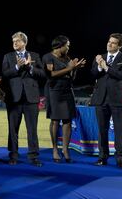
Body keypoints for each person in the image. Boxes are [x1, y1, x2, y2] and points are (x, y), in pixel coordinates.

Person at [1, 32, 46, 167]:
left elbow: (43, 74)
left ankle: (33, 156)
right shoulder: (8, 57)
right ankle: (13, 155)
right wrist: (17, 67)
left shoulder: (35, 56)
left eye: (18, 41)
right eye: (13, 41)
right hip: (13, 98)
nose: (15, 43)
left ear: (24, 43)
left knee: (32, 129)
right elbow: (4, 75)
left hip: (31, 97)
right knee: (13, 129)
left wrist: (30, 67)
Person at [90, 33, 122, 169]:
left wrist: (106, 67)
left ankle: (119, 159)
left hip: (118, 99)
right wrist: (99, 66)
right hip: (101, 99)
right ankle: (102, 157)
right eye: (109, 41)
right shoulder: (100, 57)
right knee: (102, 130)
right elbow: (93, 74)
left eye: (114, 43)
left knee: (120, 131)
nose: (110, 44)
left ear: (120, 45)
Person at [42, 35, 85, 163]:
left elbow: (71, 77)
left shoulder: (67, 58)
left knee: (67, 121)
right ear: (59, 46)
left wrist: (75, 69)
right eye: (67, 45)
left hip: (67, 90)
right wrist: (69, 68)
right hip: (54, 90)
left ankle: (65, 149)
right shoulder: (48, 57)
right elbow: (51, 75)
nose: (68, 47)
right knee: (55, 121)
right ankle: (55, 149)